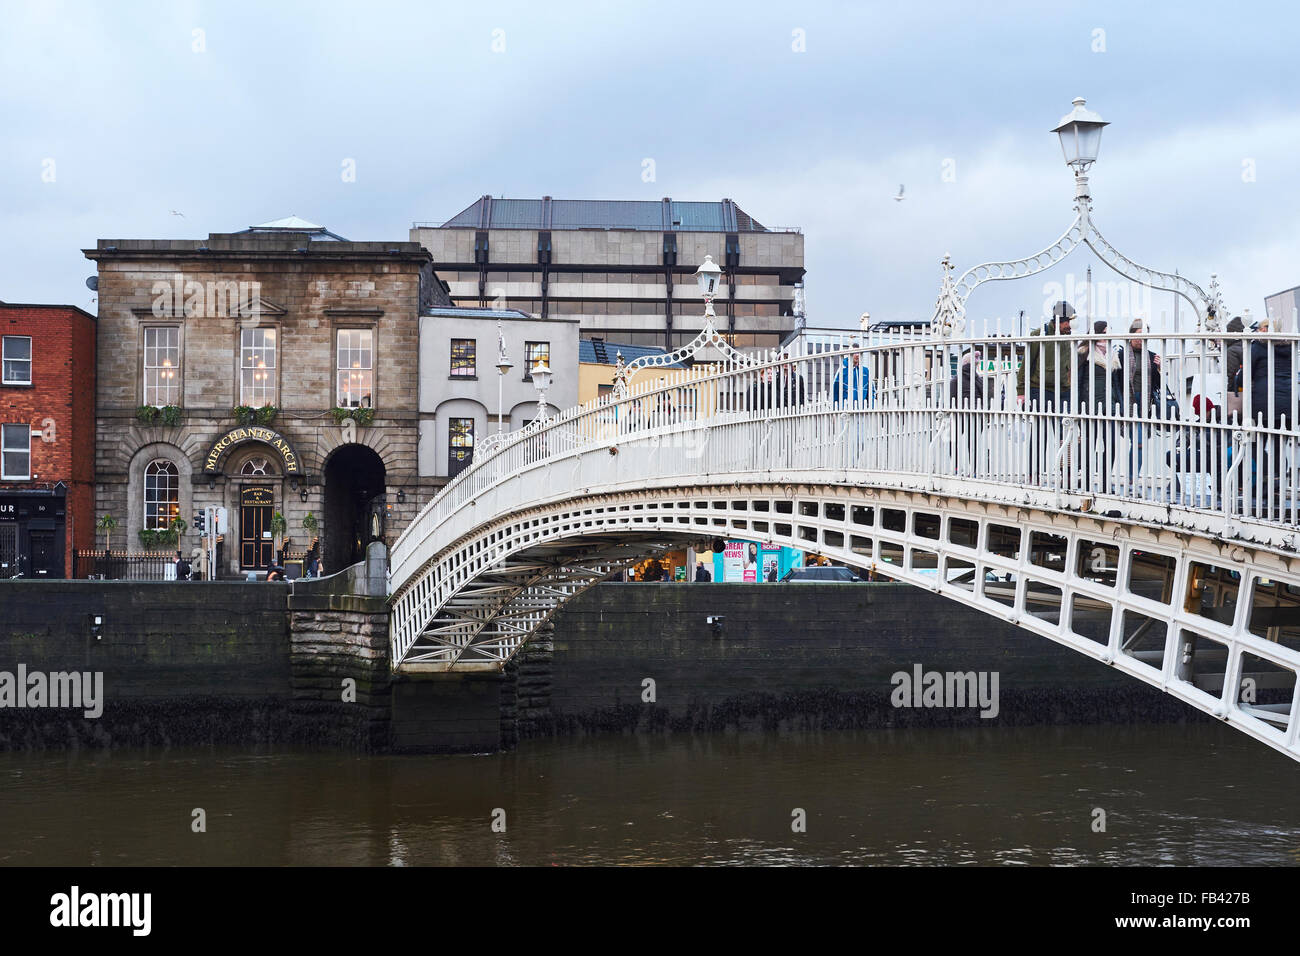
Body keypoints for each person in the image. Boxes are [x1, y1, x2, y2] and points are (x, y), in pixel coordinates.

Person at [1224, 316, 1246, 423]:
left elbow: (1231, 373)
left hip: (1238, 391)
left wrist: (1229, 389)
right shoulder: (1249, 346)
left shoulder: (1231, 351)